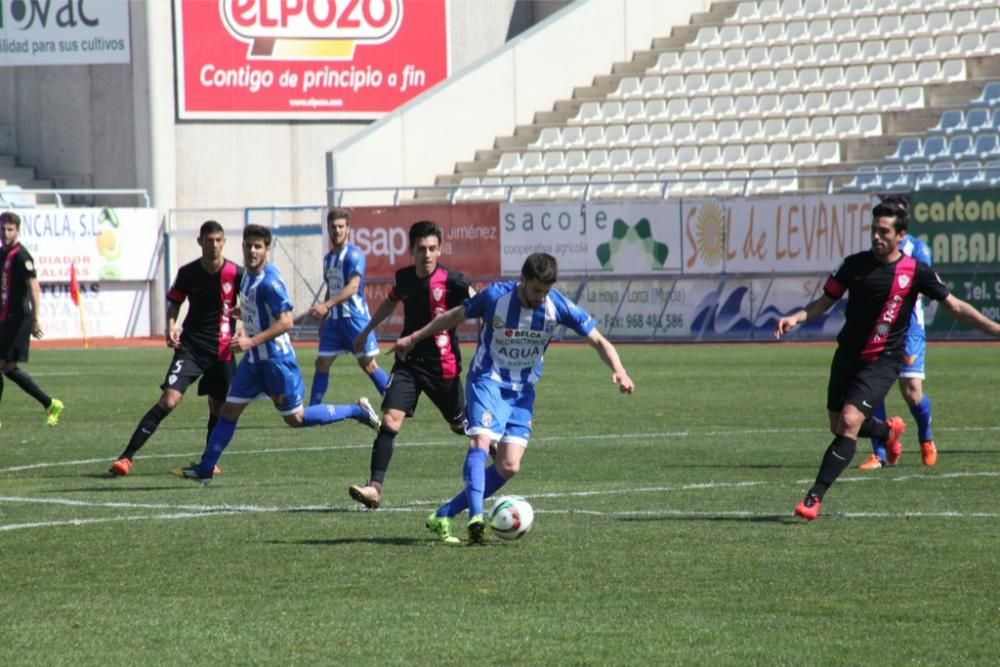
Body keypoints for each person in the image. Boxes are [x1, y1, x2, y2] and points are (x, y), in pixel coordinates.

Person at [774, 199, 1000, 521]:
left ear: (900, 235)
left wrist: (995, 330)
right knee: (837, 424)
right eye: (873, 230)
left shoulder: (914, 271)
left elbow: (956, 306)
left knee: (850, 423)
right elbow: (824, 302)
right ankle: (886, 432)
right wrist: (796, 317)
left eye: (884, 231)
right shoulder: (854, 265)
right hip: (847, 357)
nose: (877, 237)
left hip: (883, 361)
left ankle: (813, 498)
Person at [391, 252, 635, 544]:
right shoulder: (495, 297)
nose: (540, 297)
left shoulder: (555, 305)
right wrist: (415, 337)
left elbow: (598, 340)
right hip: (487, 380)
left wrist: (620, 370)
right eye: (535, 290)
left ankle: (443, 514)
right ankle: (476, 518)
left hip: (522, 392)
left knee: (509, 466)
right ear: (523, 280)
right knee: (481, 441)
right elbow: (452, 316)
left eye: (545, 291)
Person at [176, 224, 381, 484]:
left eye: (258, 246)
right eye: (249, 245)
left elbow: (286, 322)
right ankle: (206, 467)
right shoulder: (248, 276)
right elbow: (261, 312)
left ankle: (357, 411)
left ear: (267, 249)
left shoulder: (270, 282)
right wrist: (246, 315)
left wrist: (251, 340)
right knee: (229, 410)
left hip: (276, 362)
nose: (252, 250)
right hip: (253, 363)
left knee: (296, 419)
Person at [346, 220, 474, 509]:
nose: (427, 255)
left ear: (440, 249)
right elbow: (391, 302)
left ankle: (491, 445)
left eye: (432, 249)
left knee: (459, 424)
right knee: (390, 419)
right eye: (421, 249)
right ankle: (374, 488)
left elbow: (481, 305)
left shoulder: (454, 281)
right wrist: (367, 331)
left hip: (443, 365)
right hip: (408, 361)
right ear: (411, 250)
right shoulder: (403, 277)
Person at [110, 221, 242, 476]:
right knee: (169, 400)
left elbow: (249, 305)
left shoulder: (236, 274)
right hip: (191, 346)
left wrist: (244, 331)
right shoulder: (188, 272)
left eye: (218, 240)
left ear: (224, 241)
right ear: (199, 241)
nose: (213, 245)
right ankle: (125, 458)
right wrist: (171, 325)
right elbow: (175, 302)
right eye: (209, 240)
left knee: (218, 407)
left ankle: (208, 461)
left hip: (223, 350)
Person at [859, 196, 937, 469]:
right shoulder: (876, 252)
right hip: (880, 328)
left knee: (912, 392)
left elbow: (929, 286)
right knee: (873, 390)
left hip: (909, 328)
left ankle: (925, 438)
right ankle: (879, 452)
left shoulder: (919, 250)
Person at [308, 207, 388, 406]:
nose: (337, 230)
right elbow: (331, 288)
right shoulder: (328, 259)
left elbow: (352, 287)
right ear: (328, 229)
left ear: (348, 229)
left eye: (341, 226)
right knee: (321, 363)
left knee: (368, 365)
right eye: (333, 227)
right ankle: (314, 408)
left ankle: (395, 400)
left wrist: (326, 306)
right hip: (334, 322)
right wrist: (324, 321)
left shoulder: (354, 255)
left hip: (355, 319)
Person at [0, 211, 63, 428]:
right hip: (5, 318)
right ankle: (50, 403)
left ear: (17, 231)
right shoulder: (3, 254)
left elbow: (34, 288)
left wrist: (36, 319)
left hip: (18, 320)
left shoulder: (21, 256)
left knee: (4, 366)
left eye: (10, 229)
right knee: (8, 368)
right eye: (3, 229)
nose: (6, 233)